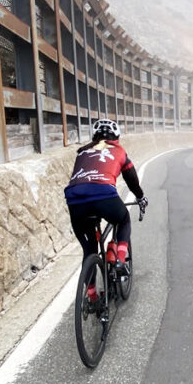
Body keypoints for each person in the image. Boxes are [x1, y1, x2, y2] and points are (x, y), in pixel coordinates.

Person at [64, 119, 148, 300]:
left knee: (89, 250)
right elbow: (132, 179)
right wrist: (140, 197)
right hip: (103, 194)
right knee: (123, 218)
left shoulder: (82, 151)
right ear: (117, 137)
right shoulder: (119, 152)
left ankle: (92, 296)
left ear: (94, 136)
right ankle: (119, 259)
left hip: (75, 199)